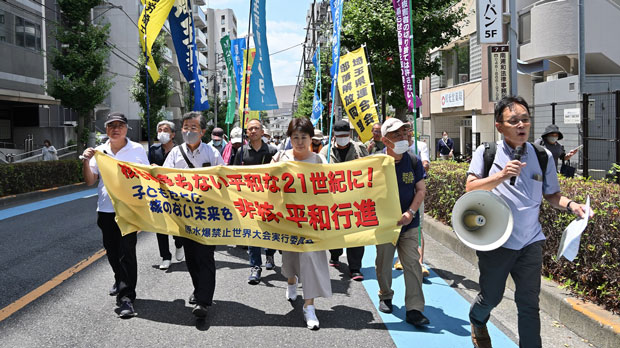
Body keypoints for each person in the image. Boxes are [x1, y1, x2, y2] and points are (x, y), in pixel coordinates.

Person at [466, 96, 593, 348]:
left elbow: (552, 195)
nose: (521, 125)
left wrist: (572, 205)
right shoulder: (487, 152)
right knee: (491, 297)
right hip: (496, 242)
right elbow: (470, 188)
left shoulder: (542, 154)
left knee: (529, 304)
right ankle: (477, 320)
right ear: (499, 126)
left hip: (531, 242)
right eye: (513, 121)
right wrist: (502, 175)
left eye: (525, 119)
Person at [81, 112, 149, 318]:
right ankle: (119, 279)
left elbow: (146, 177)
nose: (116, 129)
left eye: (120, 125)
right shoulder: (99, 152)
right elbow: (90, 181)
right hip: (105, 209)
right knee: (111, 251)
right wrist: (85, 161)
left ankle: (127, 297)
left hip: (129, 210)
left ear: (127, 128)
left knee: (126, 252)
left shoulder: (136, 149)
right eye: (111, 126)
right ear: (106, 129)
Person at [163, 111, 225, 318]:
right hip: (184, 215)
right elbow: (164, 178)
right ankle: (199, 290)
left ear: (203, 131)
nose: (189, 131)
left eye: (194, 128)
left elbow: (222, 180)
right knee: (191, 258)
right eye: (186, 127)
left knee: (205, 256)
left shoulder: (212, 154)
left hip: (207, 215)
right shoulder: (174, 153)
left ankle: (203, 301)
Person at [271, 117, 331, 330]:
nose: (299, 142)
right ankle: (291, 281)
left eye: (303, 137)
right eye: (294, 137)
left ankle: (310, 307)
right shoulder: (280, 158)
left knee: (311, 260)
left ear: (310, 138)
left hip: (312, 221)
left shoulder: (320, 161)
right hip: (287, 220)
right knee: (290, 259)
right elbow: (267, 184)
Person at [375, 117, 429, 327]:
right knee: (383, 264)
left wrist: (410, 212)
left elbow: (421, 189)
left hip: (408, 223)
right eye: (396, 134)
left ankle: (414, 309)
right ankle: (386, 295)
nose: (402, 138)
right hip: (384, 225)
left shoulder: (413, 160)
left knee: (413, 264)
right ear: (385, 139)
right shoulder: (375, 163)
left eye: (404, 133)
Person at [320, 120, 369, 281]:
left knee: (356, 235)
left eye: (345, 135)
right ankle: (335, 254)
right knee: (334, 235)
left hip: (355, 200)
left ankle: (355, 268)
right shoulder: (326, 151)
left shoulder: (359, 148)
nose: (343, 138)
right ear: (334, 135)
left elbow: (370, 169)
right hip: (333, 201)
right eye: (339, 136)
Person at [233, 119, 278, 284]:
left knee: (270, 230)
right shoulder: (241, 152)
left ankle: (270, 254)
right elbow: (233, 174)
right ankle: (255, 266)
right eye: (250, 129)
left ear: (262, 131)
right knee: (253, 232)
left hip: (269, 199)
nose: (253, 131)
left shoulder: (273, 151)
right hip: (249, 200)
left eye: (256, 128)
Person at [392, 123, 431, 277]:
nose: (404, 135)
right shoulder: (390, 150)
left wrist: (420, 166)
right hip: (397, 196)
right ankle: (400, 258)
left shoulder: (420, 147)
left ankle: (419, 262)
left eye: (406, 131)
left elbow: (426, 165)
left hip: (415, 195)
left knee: (417, 228)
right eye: (400, 133)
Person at [148, 120, 184, 270]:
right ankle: (165, 256)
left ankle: (179, 243)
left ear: (173, 134)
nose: (162, 132)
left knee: (177, 223)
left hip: (176, 194)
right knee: (160, 225)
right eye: (160, 130)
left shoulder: (180, 151)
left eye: (166, 130)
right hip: (157, 193)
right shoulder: (153, 150)